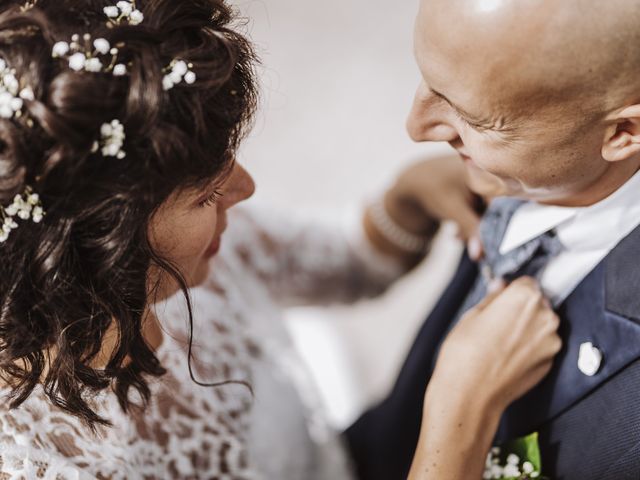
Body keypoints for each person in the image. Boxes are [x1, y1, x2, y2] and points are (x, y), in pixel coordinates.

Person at [0, 0, 560, 479]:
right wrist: (460, 420)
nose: (245, 188)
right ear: (100, 243)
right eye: (204, 194)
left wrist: (405, 205)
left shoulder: (211, 242)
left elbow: (345, 262)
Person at [345, 0, 640, 479]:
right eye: (427, 81)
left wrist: (463, 413)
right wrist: (407, 201)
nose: (416, 128)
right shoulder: (512, 178)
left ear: (625, 131)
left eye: (475, 118)